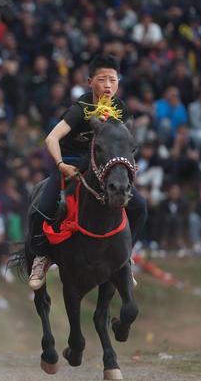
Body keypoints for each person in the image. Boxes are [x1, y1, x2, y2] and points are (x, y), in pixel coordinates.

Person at [28, 55, 147, 290]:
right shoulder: (80, 109)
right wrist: (61, 164)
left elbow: (130, 145)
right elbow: (51, 138)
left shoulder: (121, 110)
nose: (107, 85)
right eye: (102, 79)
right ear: (90, 81)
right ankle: (41, 257)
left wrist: (130, 167)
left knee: (140, 207)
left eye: (112, 80)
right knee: (42, 206)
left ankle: (126, 257)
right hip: (72, 165)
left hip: (104, 170)